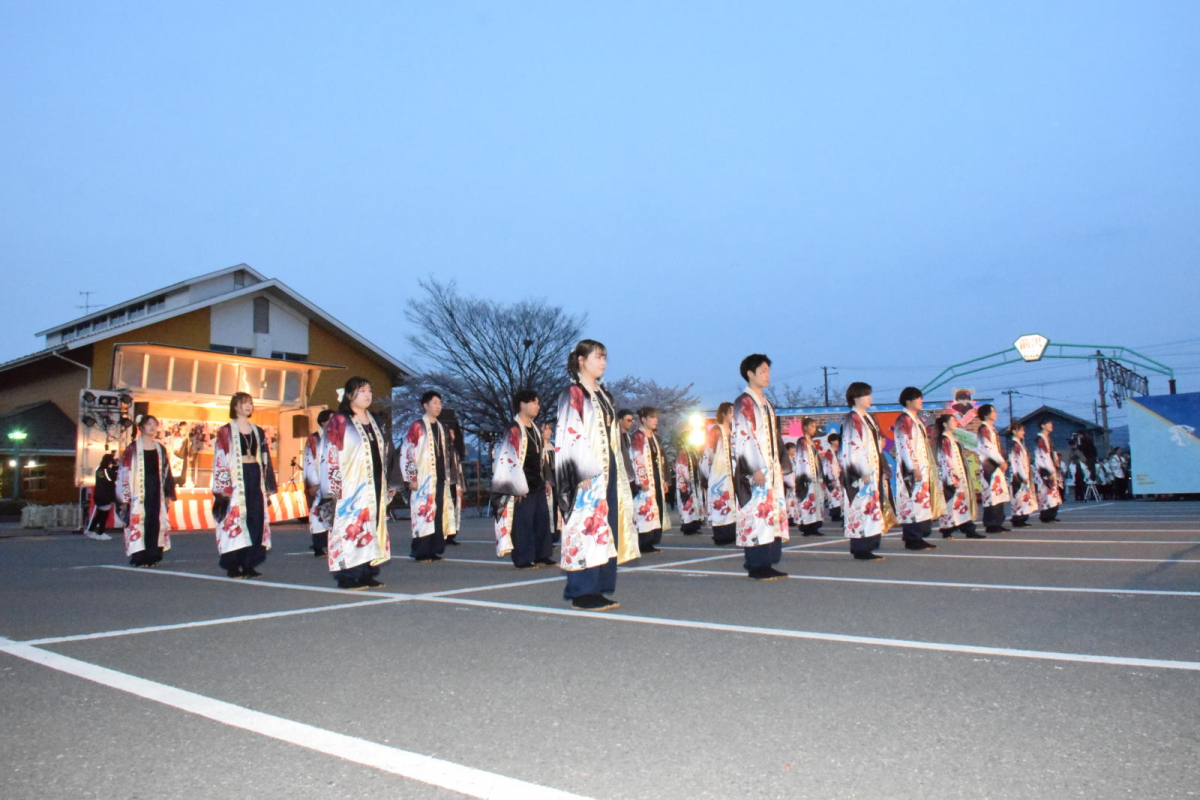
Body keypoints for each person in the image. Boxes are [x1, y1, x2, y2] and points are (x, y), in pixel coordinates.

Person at [554, 339, 638, 611]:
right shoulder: (573, 393)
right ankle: (582, 590)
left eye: (605, 358)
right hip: (585, 470)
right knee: (585, 525)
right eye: (597, 357)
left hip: (607, 467)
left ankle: (600, 586)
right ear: (581, 360)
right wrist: (579, 469)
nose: (603, 362)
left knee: (605, 525)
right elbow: (569, 432)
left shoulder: (603, 395)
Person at [321, 377, 394, 590]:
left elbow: (386, 452)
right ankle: (347, 575)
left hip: (374, 483)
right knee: (349, 527)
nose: (367, 394)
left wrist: (390, 481)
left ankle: (367, 572)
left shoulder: (375, 420)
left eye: (370, 390)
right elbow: (330, 454)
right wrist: (332, 488)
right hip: (350, 485)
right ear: (350, 394)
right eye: (362, 390)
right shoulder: (340, 421)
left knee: (371, 525)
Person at [731, 354, 789, 580]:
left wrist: (779, 466)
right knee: (757, 513)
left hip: (770, 468)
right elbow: (744, 438)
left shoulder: (766, 403)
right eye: (762, 371)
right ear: (750, 373)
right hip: (756, 471)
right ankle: (756, 563)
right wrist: (754, 468)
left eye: (768, 371)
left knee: (771, 513)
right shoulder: (744, 403)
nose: (767, 375)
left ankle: (768, 560)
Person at [212, 392, 276, 579]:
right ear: (235, 406)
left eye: (250, 403)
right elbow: (220, 459)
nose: (248, 406)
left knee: (255, 519)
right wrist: (223, 487)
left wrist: (268, 486)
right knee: (233, 520)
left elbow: (265, 459)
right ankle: (233, 564)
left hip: (254, 475)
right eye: (244, 403)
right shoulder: (225, 431)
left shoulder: (258, 431)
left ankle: (250, 563)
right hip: (235, 479)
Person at [492, 389, 555, 569]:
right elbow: (507, 459)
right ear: (522, 404)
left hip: (537, 482)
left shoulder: (535, 428)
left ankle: (542, 554)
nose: (537, 406)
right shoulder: (514, 429)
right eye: (534, 402)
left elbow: (541, 457)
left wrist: (546, 481)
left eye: (537, 403)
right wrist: (515, 486)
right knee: (523, 523)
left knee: (542, 519)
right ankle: (523, 558)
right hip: (522, 485)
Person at [399, 391, 458, 562]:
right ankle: (420, 550)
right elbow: (408, 450)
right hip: (423, 477)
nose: (438, 406)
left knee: (438, 513)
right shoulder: (417, 426)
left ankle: (434, 548)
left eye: (440, 403)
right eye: (434, 403)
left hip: (439, 477)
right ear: (425, 405)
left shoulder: (441, 427)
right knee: (423, 512)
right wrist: (411, 477)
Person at [840, 382, 892, 560]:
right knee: (861, 507)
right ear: (855, 398)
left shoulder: (867, 418)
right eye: (865, 395)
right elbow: (853, 447)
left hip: (872, 469)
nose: (870, 398)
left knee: (871, 508)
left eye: (870, 394)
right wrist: (863, 470)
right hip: (861, 473)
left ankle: (869, 544)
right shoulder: (853, 419)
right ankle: (861, 547)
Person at [118, 416, 177, 566]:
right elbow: (124, 471)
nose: (152, 427)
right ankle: (139, 556)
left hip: (156, 488)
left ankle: (153, 555)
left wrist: (167, 493)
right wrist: (125, 496)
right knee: (139, 521)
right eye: (148, 424)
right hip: (138, 489)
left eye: (154, 425)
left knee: (155, 520)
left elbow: (166, 471)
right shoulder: (132, 448)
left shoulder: (160, 448)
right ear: (141, 427)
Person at [893, 388, 939, 551]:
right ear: (909, 400)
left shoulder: (916, 419)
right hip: (911, 469)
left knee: (920, 504)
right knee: (912, 503)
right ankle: (912, 538)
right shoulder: (904, 420)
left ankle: (918, 536)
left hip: (921, 467)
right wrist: (914, 467)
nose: (921, 401)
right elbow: (906, 445)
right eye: (918, 398)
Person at [934, 414, 983, 538]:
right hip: (952, 477)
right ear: (945, 424)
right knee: (952, 504)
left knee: (961, 503)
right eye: (952, 421)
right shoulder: (945, 439)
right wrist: (952, 477)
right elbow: (946, 459)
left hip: (959, 475)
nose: (955, 423)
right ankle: (949, 529)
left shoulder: (952, 438)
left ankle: (966, 528)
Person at [630, 406, 671, 553]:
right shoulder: (638, 436)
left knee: (656, 507)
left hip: (656, 477)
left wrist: (664, 480)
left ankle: (652, 540)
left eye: (656, 417)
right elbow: (636, 458)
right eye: (652, 417)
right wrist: (641, 479)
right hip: (645, 479)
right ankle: (643, 542)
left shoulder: (655, 438)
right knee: (644, 509)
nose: (655, 420)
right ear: (643, 419)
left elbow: (662, 460)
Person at [700, 402, 737, 545]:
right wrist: (709, 473)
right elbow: (708, 451)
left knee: (730, 503)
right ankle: (721, 536)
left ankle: (731, 533)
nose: (733, 415)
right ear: (723, 414)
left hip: (731, 473)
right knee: (720, 503)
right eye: (730, 412)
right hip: (719, 474)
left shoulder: (732, 431)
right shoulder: (716, 429)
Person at [302, 409, 334, 557]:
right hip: (320, 480)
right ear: (323, 422)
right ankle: (318, 544)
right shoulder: (314, 439)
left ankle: (331, 543)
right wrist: (313, 482)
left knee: (334, 512)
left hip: (333, 480)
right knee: (318, 513)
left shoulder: (337, 438)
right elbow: (309, 461)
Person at [975, 404, 1012, 534]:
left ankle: (998, 522)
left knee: (999, 494)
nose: (996, 414)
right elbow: (988, 448)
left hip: (996, 465)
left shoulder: (992, 429)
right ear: (986, 414)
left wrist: (1003, 460)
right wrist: (1001, 461)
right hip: (989, 466)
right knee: (991, 495)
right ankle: (991, 524)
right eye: (993, 411)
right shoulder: (984, 429)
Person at [794, 417, 827, 537]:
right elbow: (802, 460)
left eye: (815, 427)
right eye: (812, 426)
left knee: (817, 500)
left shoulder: (811, 442)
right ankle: (806, 526)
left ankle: (815, 525)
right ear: (805, 427)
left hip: (815, 476)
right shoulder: (802, 442)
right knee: (808, 500)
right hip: (807, 477)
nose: (814, 429)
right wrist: (805, 476)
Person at [1008, 421, 1039, 527]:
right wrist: (1023, 475)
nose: (1022, 432)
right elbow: (1016, 461)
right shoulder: (1015, 444)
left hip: (1023, 472)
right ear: (1014, 431)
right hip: (1018, 474)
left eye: (1023, 430)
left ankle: (1022, 517)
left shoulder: (1019, 444)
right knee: (1019, 496)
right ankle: (1018, 518)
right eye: (1020, 430)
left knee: (1024, 496)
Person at [83, 452, 119, 541]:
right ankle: (101, 533)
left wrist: (114, 468)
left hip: (98, 494)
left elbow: (108, 476)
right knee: (104, 515)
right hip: (105, 495)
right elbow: (112, 478)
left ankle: (90, 530)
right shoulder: (107, 471)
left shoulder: (98, 469)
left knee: (99, 514)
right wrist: (116, 467)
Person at [1034, 417, 1064, 522]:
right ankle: (1045, 515)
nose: (1051, 425)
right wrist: (1048, 471)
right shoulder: (1040, 439)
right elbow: (1042, 456)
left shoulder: (1047, 439)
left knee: (1052, 493)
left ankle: (1051, 515)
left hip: (1051, 467)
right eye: (1048, 423)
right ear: (1043, 426)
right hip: (1045, 469)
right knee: (1046, 492)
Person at [675, 433, 704, 535]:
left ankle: (695, 525)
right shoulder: (683, 453)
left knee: (695, 504)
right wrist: (686, 481)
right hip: (686, 484)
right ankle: (688, 527)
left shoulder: (693, 452)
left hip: (694, 482)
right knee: (687, 505)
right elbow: (681, 468)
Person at [444, 418, 466, 545]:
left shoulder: (455, 450)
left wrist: (461, 485)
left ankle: (452, 534)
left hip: (454, 482)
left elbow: (459, 469)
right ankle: (445, 533)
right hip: (447, 482)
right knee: (447, 508)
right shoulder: (445, 450)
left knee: (455, 509)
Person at [541, 422, 561, 544]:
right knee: (548, 508)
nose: (548, 432)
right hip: (547, 481)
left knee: (556, 508)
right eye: (546, 429)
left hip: (556, 480)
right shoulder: (539, 447)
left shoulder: (552, 446)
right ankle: (547, 535)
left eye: (550, 429)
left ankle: (555, 534)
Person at [819, 432, 844, 523]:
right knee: (834, 496)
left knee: (838, 495)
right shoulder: (829, 453)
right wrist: (832, 478)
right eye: (836, 440)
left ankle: (838, 513)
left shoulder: (835, 452)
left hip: (837, 476)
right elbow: (829, 466)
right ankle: (835, 514)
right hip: (831, 477)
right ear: (832, 441)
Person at [617, 409, 640, 499]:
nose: (631, 423)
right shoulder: (614, 437)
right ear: (620, 420)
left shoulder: (629, 438)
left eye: (632, 420)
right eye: (628, 420)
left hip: (629, 476)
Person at [782, 441, 800, 527]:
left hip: (794, 481)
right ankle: (790, 518)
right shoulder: (786, 460)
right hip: (789, 482)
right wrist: (789, 484)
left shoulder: (793, 459)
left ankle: (793, 517)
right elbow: (786, 473)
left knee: (793, 501)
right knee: (789, 501)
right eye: (792, 448)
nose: (794, 450)